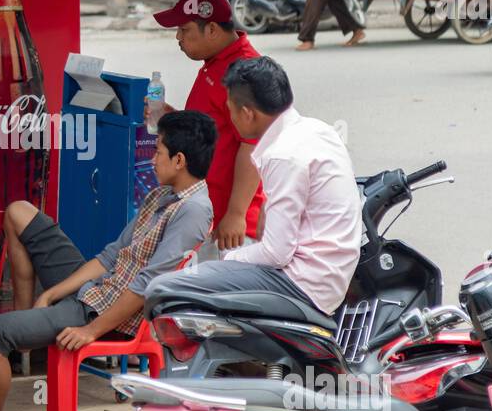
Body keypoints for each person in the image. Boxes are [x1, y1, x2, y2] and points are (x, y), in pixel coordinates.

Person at [0, 111, 216, 411]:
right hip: (96, 290)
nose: (152, 157)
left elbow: (147, 289)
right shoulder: (162, 195)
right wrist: (53, 294)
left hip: (103, 313)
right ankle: (32, 322)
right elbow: (111, 255)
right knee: (19, 212)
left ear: (179, 160)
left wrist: (90, 331)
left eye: (158, 151)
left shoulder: (193, 211)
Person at [146, 56, 361, 319]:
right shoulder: (316, 130)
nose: (231, 118)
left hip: (303, 282)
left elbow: (276, 252)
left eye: (231, 110)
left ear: (248, 114)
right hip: (327, 274)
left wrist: (226, 261)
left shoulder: (283, 154)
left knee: (163, 287)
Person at [153, 0, 264, 258]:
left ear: (212, 29)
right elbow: (214, 128)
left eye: (185, 30)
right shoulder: (214, 63)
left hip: (227, 226)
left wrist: (236, 214)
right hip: (203, 210)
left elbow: (253, 147)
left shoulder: (245, 70)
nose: (178, 38)